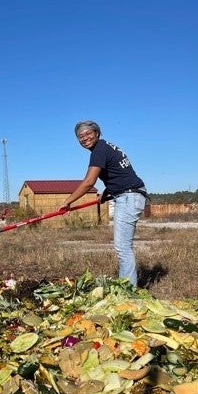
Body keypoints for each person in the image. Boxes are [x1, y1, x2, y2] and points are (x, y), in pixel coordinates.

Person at [59, 120, 147, 287]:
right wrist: (107, 192)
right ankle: (125, 286)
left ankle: (129, 293)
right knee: (123, 247)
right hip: (130, 193)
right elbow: (120, 174)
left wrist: (67, 201)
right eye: (80, 136)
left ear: (97, 133)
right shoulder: (105, 147)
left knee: (123, 248)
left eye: (88, 134)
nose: (84, 138)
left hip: (129, 196)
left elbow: (88, 182)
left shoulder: (99, 149)